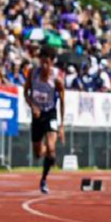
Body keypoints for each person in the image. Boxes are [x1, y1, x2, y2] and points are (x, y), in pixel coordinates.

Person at [24, 45, 65, 194]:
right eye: (42, 62)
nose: (44, 66)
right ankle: (48, 152)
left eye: (47, 63)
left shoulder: (57, 79)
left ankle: (44, 179)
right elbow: (25, 93)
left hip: (50, 113)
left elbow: (62, 100)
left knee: (52, 148)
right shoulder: (33, 74)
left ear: (52, 63)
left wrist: (61, 125)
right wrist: (32, 106)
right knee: (37, 154)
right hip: (37, 115)